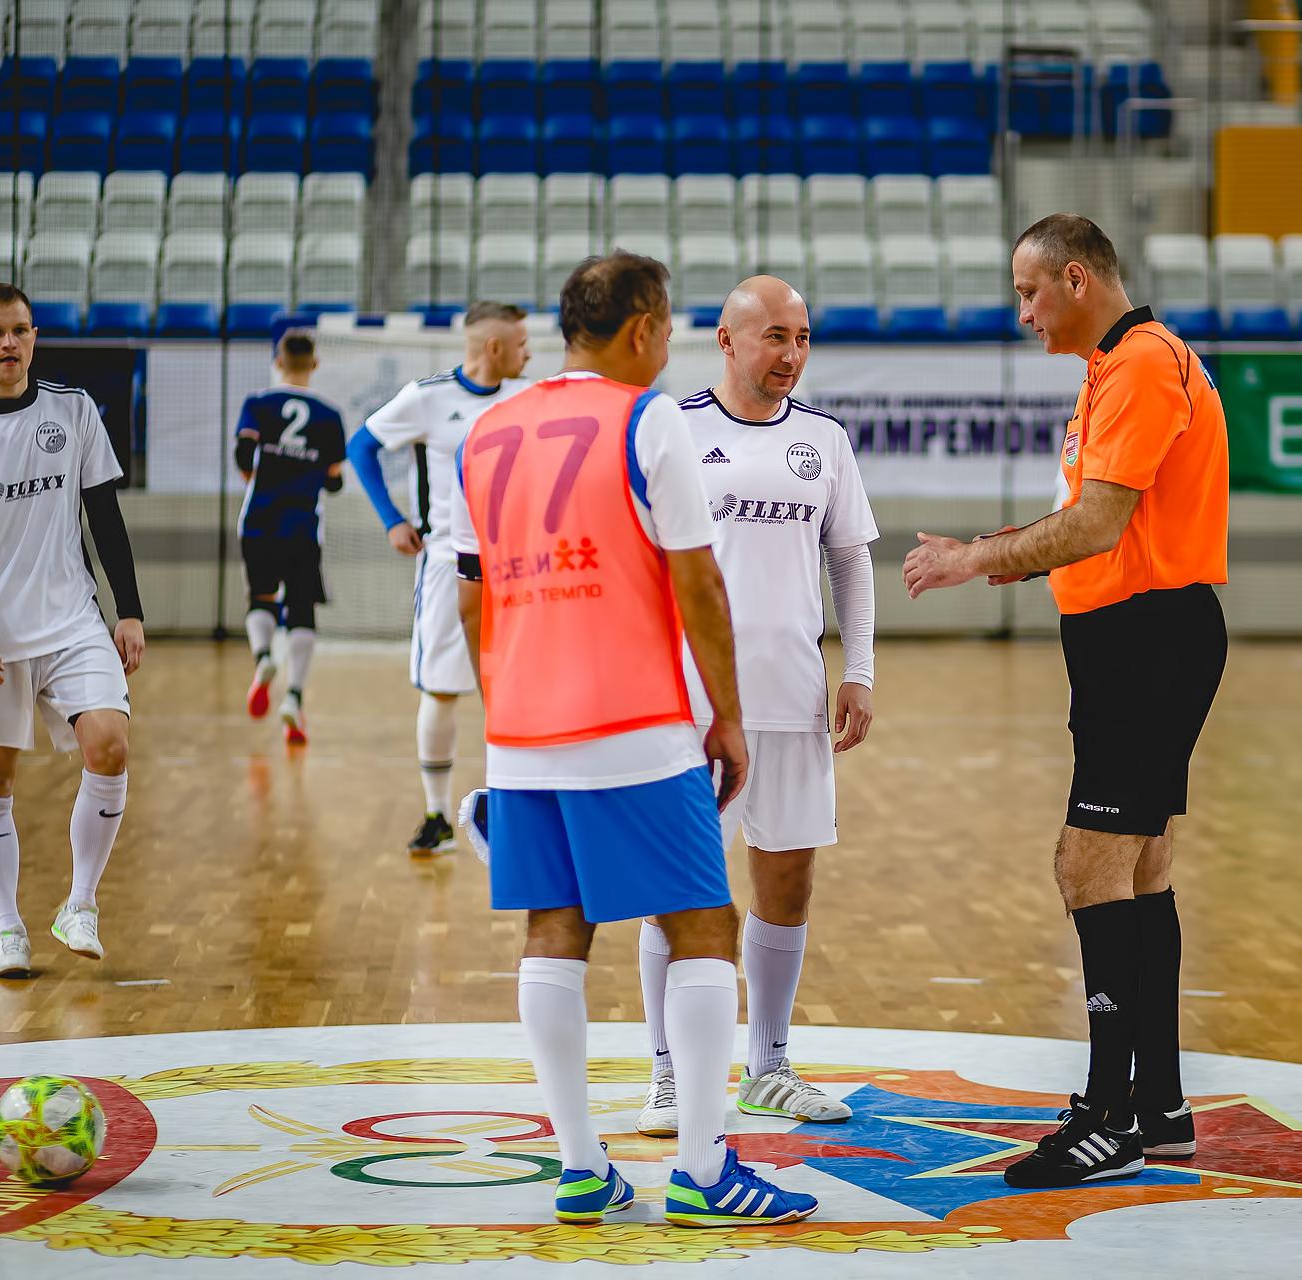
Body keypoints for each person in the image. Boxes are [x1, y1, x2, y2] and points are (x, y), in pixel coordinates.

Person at [452, 252, 818, 1228]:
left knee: (553, 928)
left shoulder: (485, 430)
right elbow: (698, 580)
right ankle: (701, 1170)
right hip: (634, 721)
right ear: (644, 328)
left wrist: (507, 709)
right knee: (702, 923)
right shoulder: (648, 419)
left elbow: (468, 596)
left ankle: (581, 1166)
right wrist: (727, 716)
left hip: (520, 726)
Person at [902, 214, 1229, 1188]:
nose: (1023, 313)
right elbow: (1093, 521)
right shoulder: (1119, 363)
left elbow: (1097, 523)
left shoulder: (1140, 365)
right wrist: (1018, 555)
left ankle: (1106, 1113)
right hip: (1138, 637)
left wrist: (974, 558)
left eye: (1028, 291)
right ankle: (1159, 1104)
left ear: (1076, 278)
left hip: (1147, 642)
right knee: (1140, 866)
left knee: (1086, 865)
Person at [635, 276, 878, 1139]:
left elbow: (850, 559)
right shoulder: (672, 429)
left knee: (788, 880)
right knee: (678, 888)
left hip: (793, 697)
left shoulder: (824, 439)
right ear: (727, 341)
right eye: (775, 336)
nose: (791, 354)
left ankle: (768, 1067)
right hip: (695, 708)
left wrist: (861, 671)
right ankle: (668, 1073)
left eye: (802, 337)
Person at [0, 283, 145, 978]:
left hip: (74, 620)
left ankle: (80, 904)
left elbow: (106, 518)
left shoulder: (74, 411)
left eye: (19, 330)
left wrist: (129, 609)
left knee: (110, 746)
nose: (8, 343)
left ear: (35, 336)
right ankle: (8, 928)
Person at [345, 302, 530, 856]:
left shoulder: (529, 398)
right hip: (449, 562)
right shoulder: (427, 397)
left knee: (520, 692)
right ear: (493, 347)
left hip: (521, 567)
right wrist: (391, 519)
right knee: (441, 689)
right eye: (521, 344)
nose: (528, 354)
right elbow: (361, 446)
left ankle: (521, 810)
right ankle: (437, 815)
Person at [235, 331, 347, 746]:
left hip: (259, 520)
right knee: (301, 608)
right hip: (302, 525)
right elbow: (334, 480)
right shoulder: (330, 415)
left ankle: (264, 657)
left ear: (278, 362)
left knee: (261, 597)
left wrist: (268, 475)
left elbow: (243, 456)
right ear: (314, 365)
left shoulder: (257, 403)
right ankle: (294, 697)